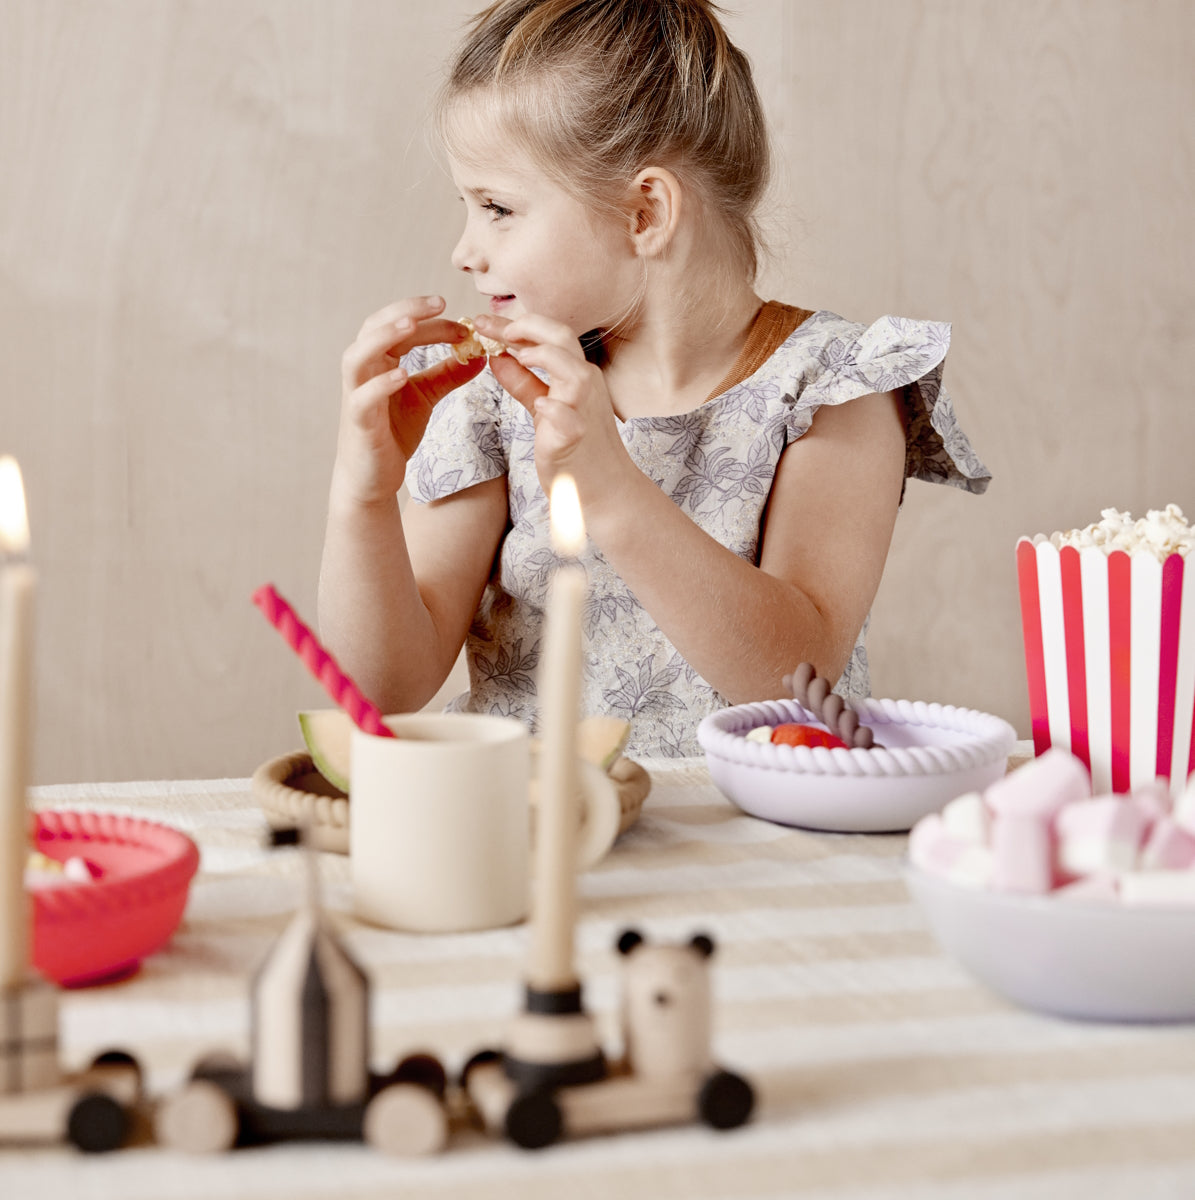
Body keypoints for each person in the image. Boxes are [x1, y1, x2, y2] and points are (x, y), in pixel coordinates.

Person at [318, 0, 989, 758]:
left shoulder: (834, 388)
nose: (464, 252)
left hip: (756, 848)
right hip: (537, 841)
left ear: (644, 212)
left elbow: (792, 677)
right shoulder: (492, 398)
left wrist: (608, 484)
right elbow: (385, 687)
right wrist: (363, 495)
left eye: (497, 207)